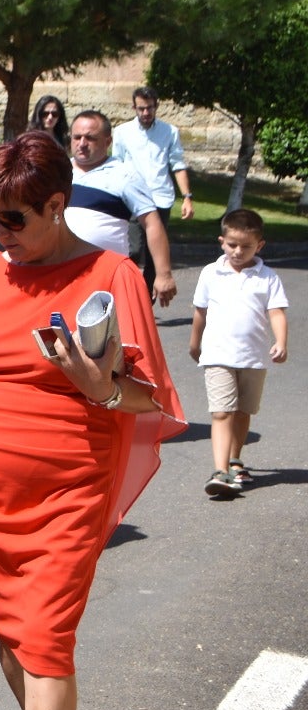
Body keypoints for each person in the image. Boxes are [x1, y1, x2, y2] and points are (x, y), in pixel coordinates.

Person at [0, 131, 183, 710]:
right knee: (13, 634)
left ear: (57, 204)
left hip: (70, 489)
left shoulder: (110, 274)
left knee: (44, 636)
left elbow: (152, 396)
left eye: (13, 219)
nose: (1, 233)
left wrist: (101, 388)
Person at [189, 208, 288, 497]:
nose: (238, 251)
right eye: (232, 245)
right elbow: (200, 313)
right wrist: (195, 344)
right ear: (222, 241)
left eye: (246, 246)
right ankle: (220, 471)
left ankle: (234, 459)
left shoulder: (267, 277)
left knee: (243, 411)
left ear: (260, 246)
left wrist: (281, 341)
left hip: (254, 357)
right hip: (218, 354)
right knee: (221, 412)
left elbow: (277, 313)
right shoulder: (211, 273)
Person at [64, 110, 176, 305]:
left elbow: (152, 223)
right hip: (60, 275)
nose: (82, 143)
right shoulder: (57, 172)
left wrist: (163, 274)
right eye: (77, 137)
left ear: (108, 142)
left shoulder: (125, 175)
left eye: (90, 138)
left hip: (104, 280)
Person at [113, 87, 194, 295]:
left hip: (161, 198)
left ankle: (146, 299)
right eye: (141, 109)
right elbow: (117, 164)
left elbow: (177, 164)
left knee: (153, 255)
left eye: (149, 108)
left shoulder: (170, 132)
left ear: (156, 107)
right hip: (132, 198)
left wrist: (187, 197)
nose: (146, 113)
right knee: (133, 250)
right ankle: (127, 294)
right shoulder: (122, 132)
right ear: (134, 108)